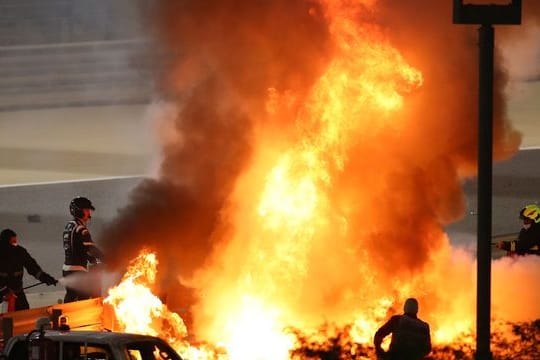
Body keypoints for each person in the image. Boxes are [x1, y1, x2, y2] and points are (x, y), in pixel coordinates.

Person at [0, 229, 58, 311]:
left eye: (15, 242)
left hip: (18, 292)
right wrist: (5, 291)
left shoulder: (20, 252)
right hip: (2, 294)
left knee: (25, 314)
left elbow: (33, 268)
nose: (15, 244)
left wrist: (46, 278)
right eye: (13, 242)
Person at [62, 196, 104, 303]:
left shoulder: (69, 226)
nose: (89, 213)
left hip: (67, 270)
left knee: (71, 299)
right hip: (78, 271)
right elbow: (90, 248)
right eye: (86, 210)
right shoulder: (80, 228)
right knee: (83, 301)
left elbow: (77, 247)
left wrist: (91, 259)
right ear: (79, 211)